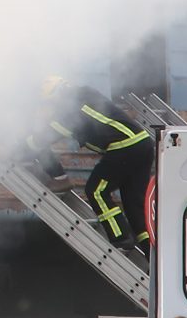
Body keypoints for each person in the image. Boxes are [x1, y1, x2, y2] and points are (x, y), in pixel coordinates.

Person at [45, 83, 154, 250]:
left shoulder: (71, 106)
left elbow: (46, 136)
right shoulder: (84, 95)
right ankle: (153, 258)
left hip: (124, 146)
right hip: (142, 143)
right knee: (135, 208)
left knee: (96, 191)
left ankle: (121, 239)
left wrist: (23, 147)